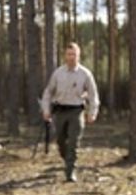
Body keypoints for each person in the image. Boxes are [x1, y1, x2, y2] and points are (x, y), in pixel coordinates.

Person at [40, 42, 100, 182]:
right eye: (69, 54)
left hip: (76, 110)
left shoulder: (85, 74)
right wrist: (46, 110)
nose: (71, 57)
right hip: (60, 110)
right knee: (61, 141)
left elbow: (93, 95)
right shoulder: (58, 73)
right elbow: (48, 92)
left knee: (74, 141)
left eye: (74, 54)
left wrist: (93, 112)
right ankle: (67, 159)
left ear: (79, 56)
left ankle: (70, 171)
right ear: (65, 56)